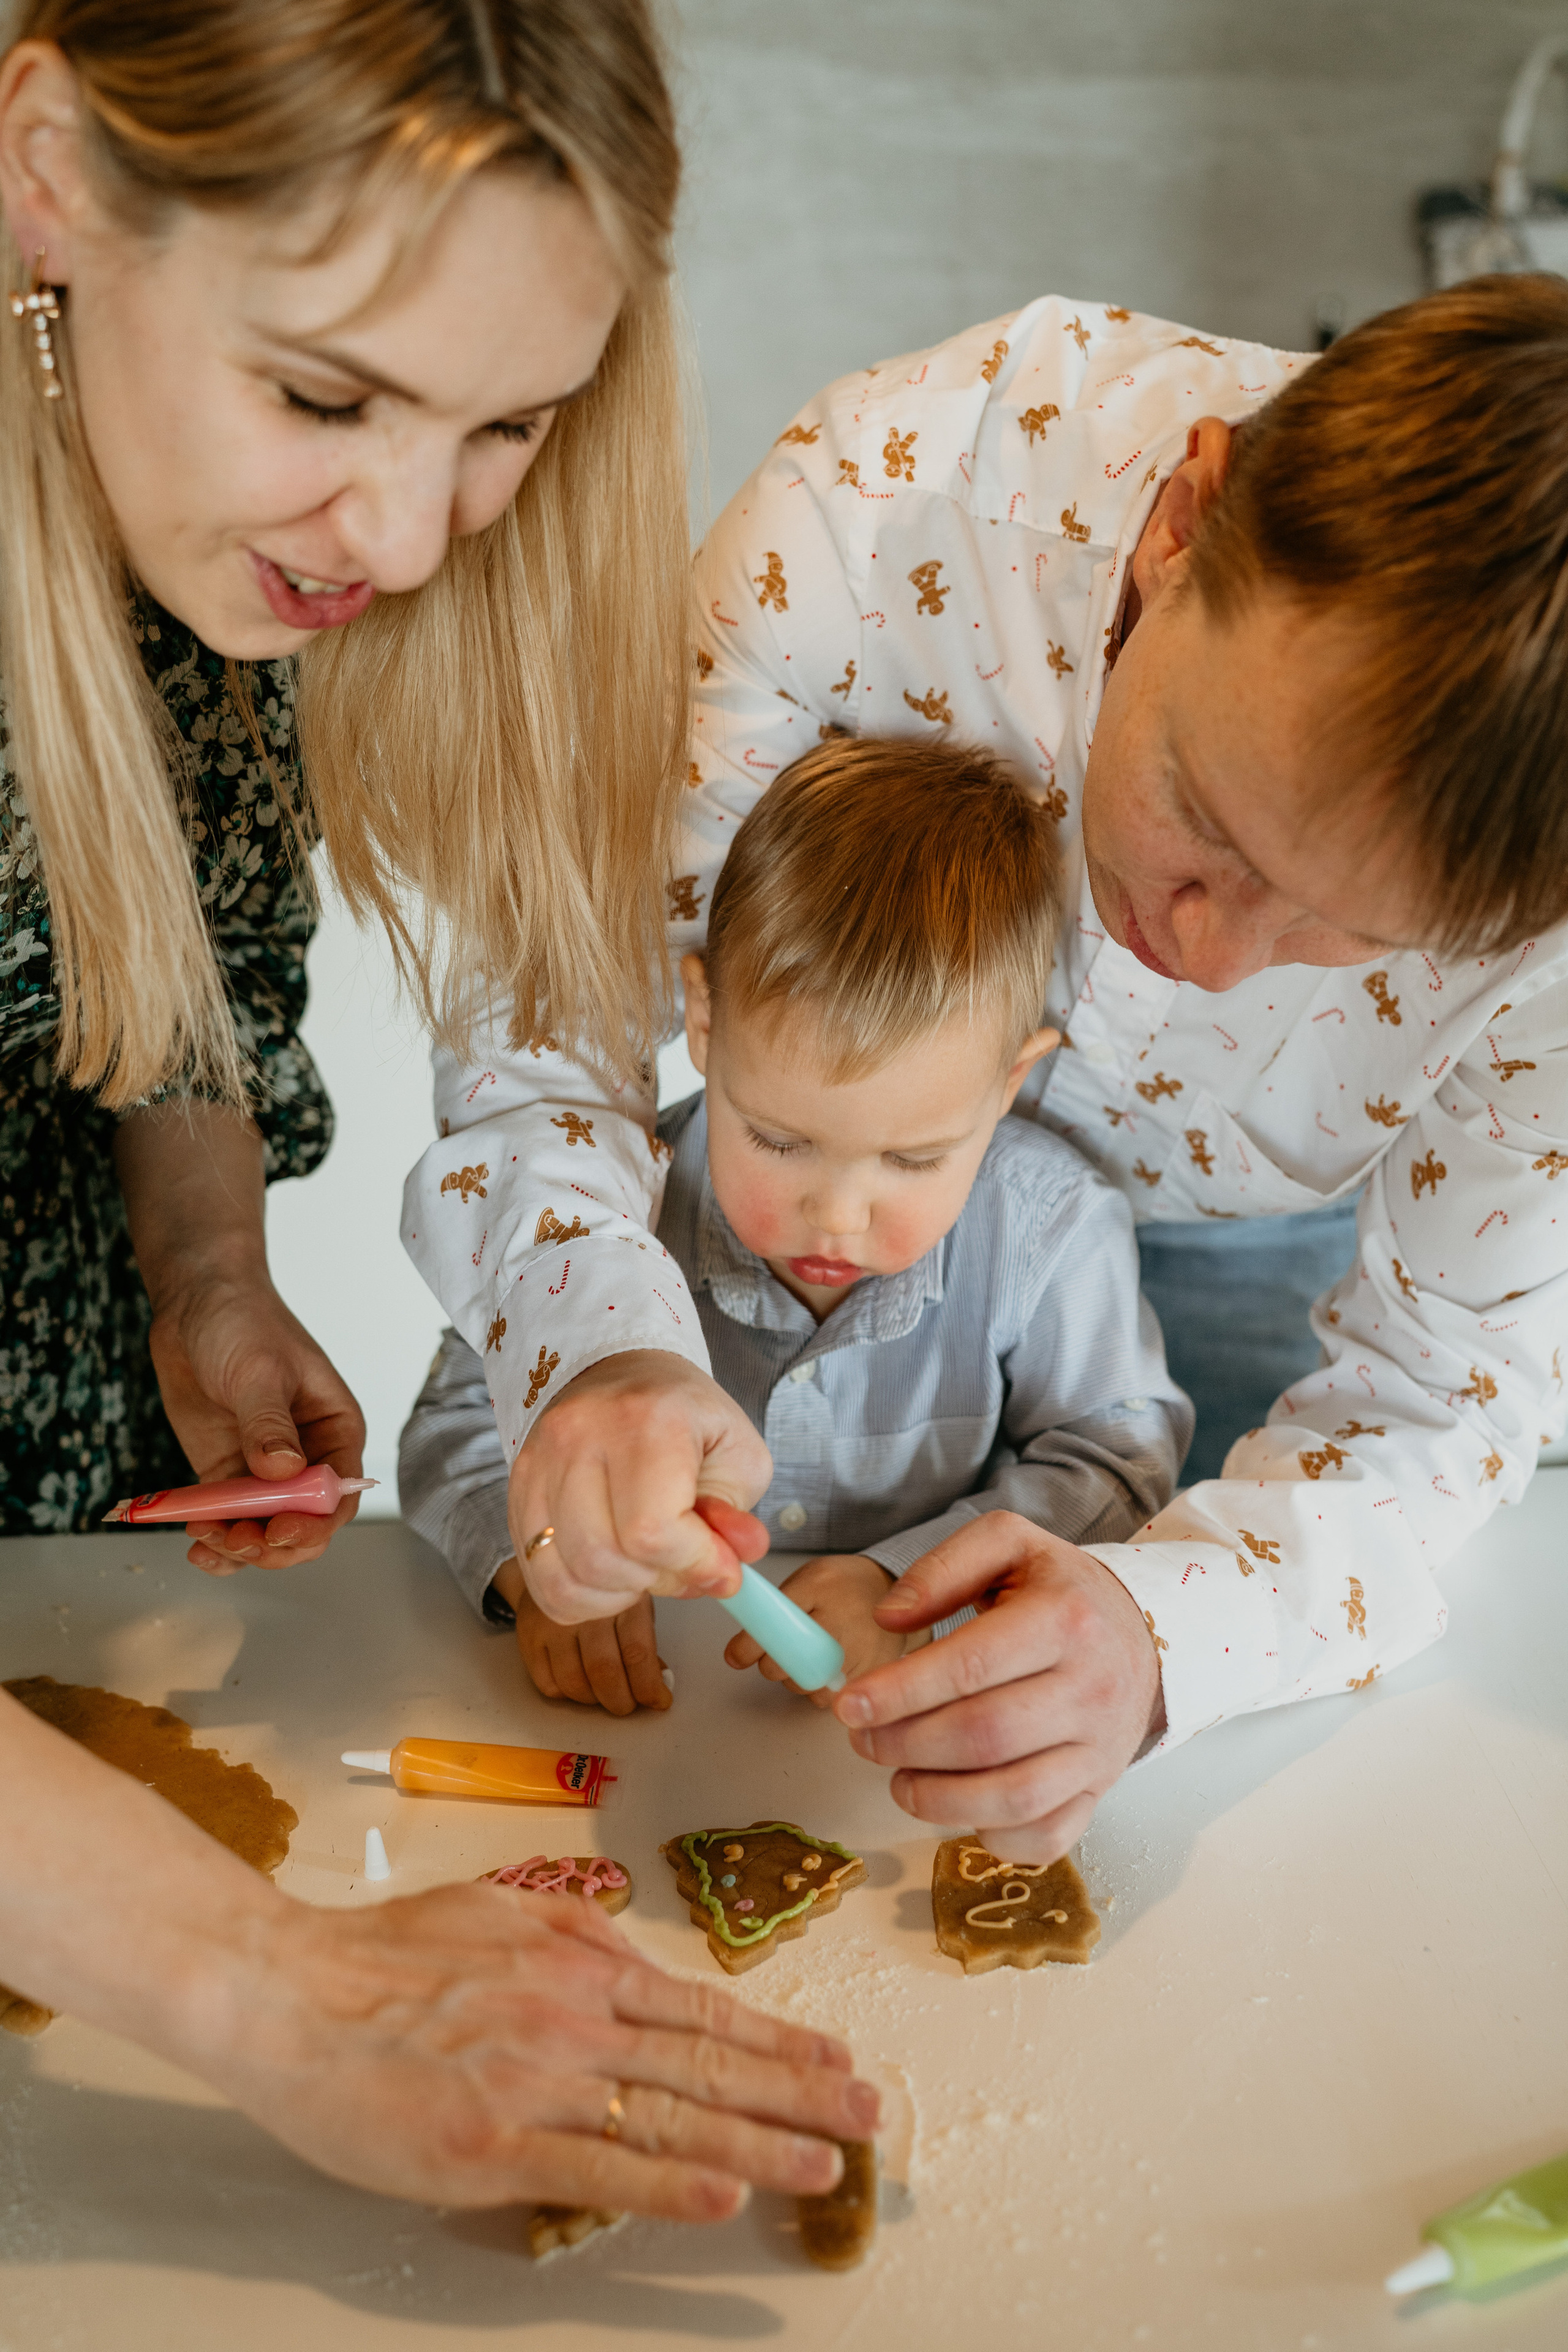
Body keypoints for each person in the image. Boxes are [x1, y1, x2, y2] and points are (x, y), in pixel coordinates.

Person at [0, 1, 873, 2219]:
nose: (403, 531)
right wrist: (274, 1992)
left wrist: (203, 1265)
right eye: (321, 395)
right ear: (49, 170)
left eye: (507, 428)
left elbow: (160, 953)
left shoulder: (166, 519)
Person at [406, 277, 1568, 1865]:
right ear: (1182, 522)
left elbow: (1437, 1401)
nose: (1209, 961)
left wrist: (1170, 1637)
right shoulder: (887, 511)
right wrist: (596, 1352)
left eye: (1355, 942)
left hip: (1261, 1266)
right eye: (1210, 821)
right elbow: (547, 1008)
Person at [399, 734, 1191, 1714]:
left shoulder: (1054, 1228)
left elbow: (1114, 1455)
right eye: (778, 1139)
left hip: (922, 1718)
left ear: (1010, 1083)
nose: (840, 1212)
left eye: (912, 1160)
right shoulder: (607, 1219)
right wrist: (542, 1563)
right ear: (703, 1021)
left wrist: (910, 1584)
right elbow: (454, 1424)